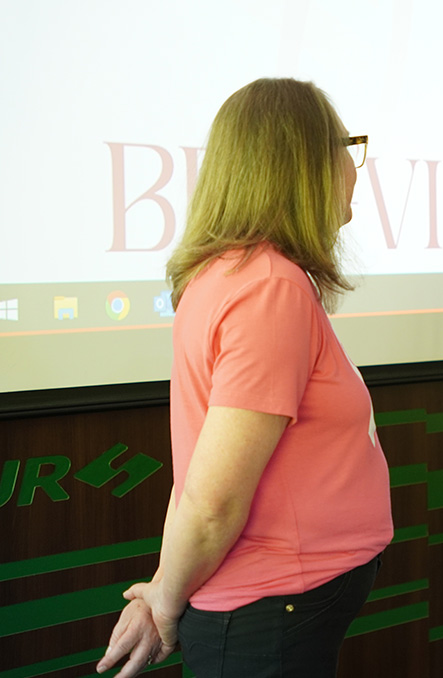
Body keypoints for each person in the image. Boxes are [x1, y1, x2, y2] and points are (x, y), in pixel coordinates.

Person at [96, 78, 393, 678]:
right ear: (303, 162)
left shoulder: (230, 275)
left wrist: (162, 586)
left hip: (269, 604)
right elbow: (212, 500)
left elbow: (202, 471)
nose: (353, 166)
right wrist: (165, 601)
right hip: (268, 610)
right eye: (344, 146)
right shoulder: (269, 287)